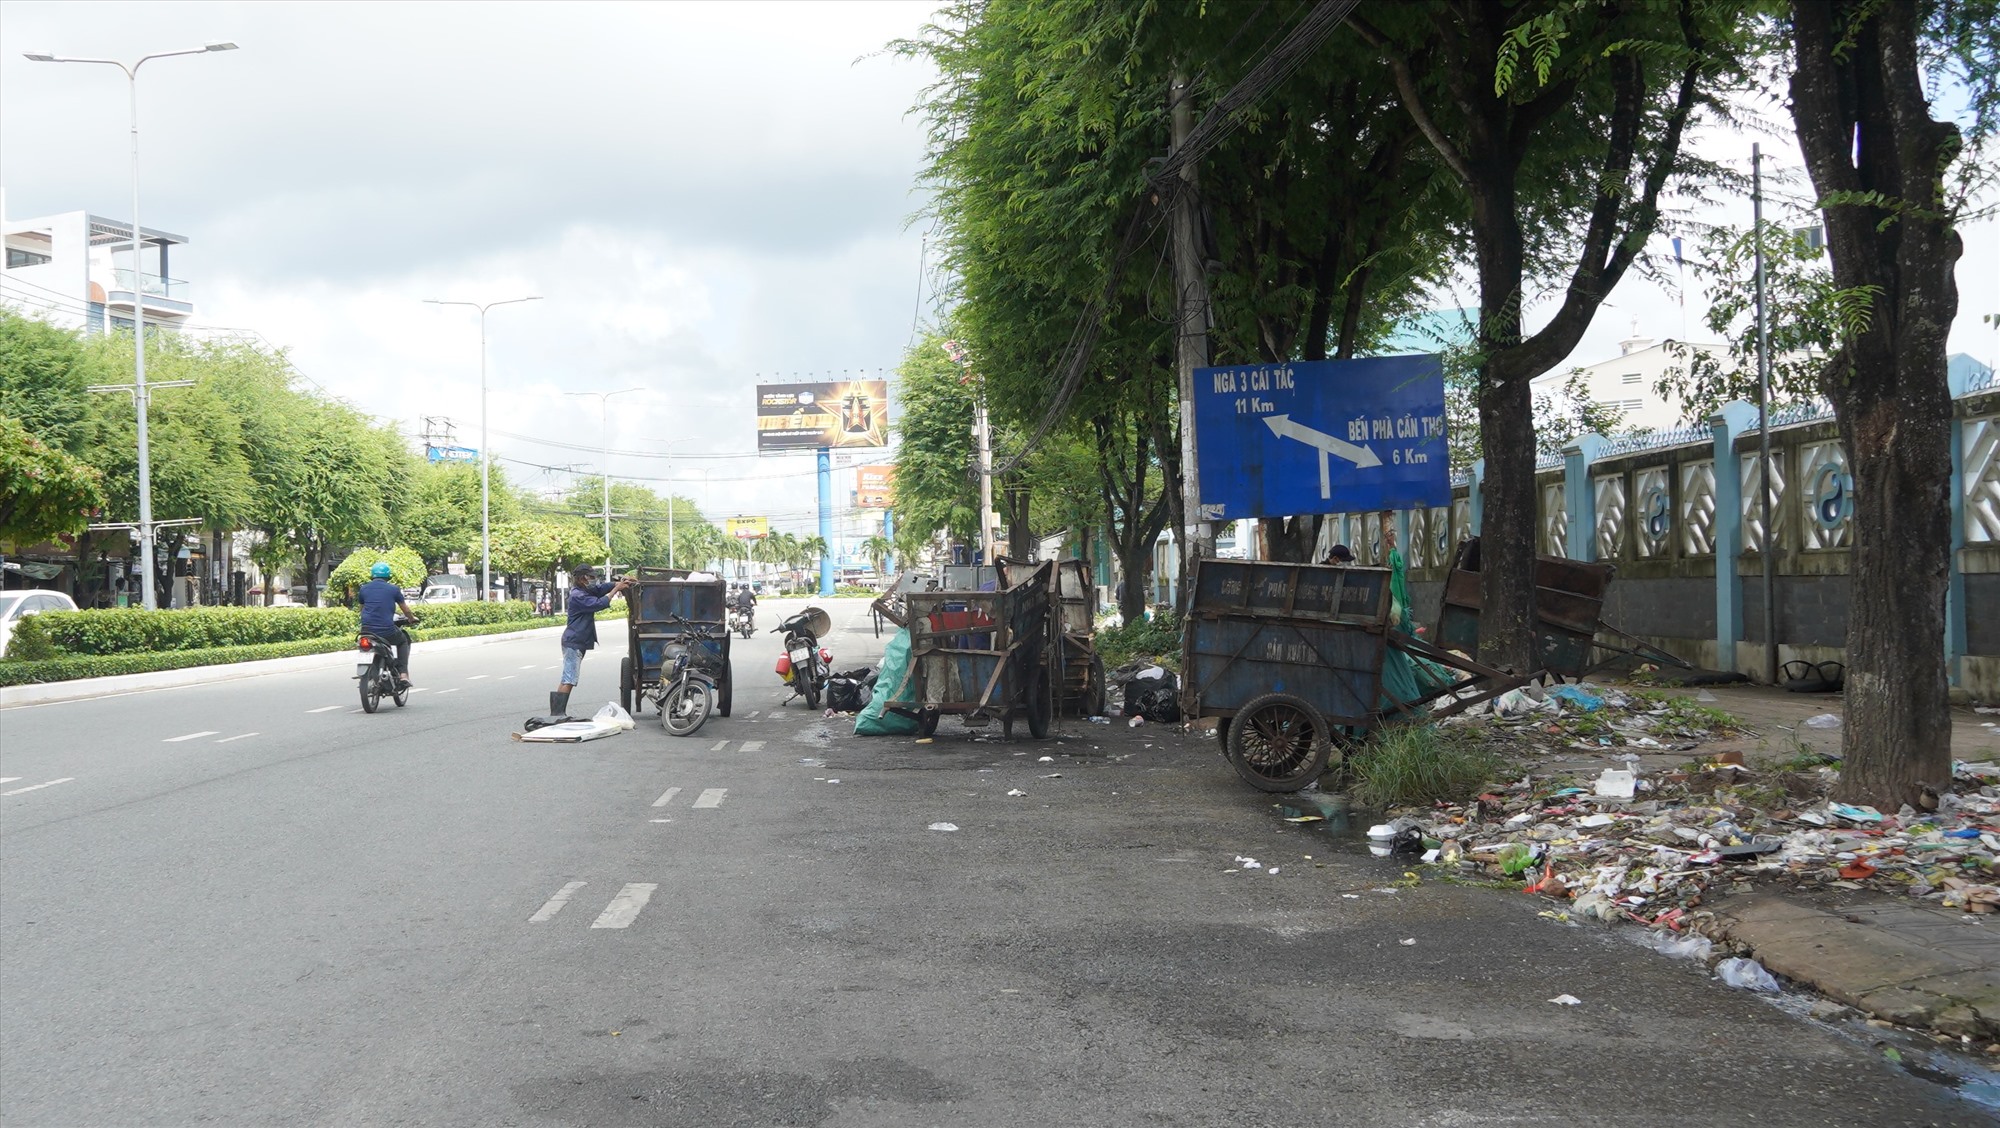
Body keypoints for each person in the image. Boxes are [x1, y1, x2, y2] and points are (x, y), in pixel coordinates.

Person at [552, 566, 630, 717]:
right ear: (582, 578)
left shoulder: (585, 591)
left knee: (568, 678)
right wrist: (616, 590)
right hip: (574, 641)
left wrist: (618, 583)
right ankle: (557, 714)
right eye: (590, 577)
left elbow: (600, 589)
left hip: (576, 641)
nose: (593, 580)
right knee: (569, 679)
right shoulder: (578, 595)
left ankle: (557, 713)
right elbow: (598, 604)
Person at [357, 562, 418, 685]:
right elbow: (405, 609)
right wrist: (411, 618)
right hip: (386, 631)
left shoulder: (364, 589)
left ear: (372, 575)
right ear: (388, 576)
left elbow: (362, 609)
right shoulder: (394, 589)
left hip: (366, 631)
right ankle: (403, 674)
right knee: (403, 640)